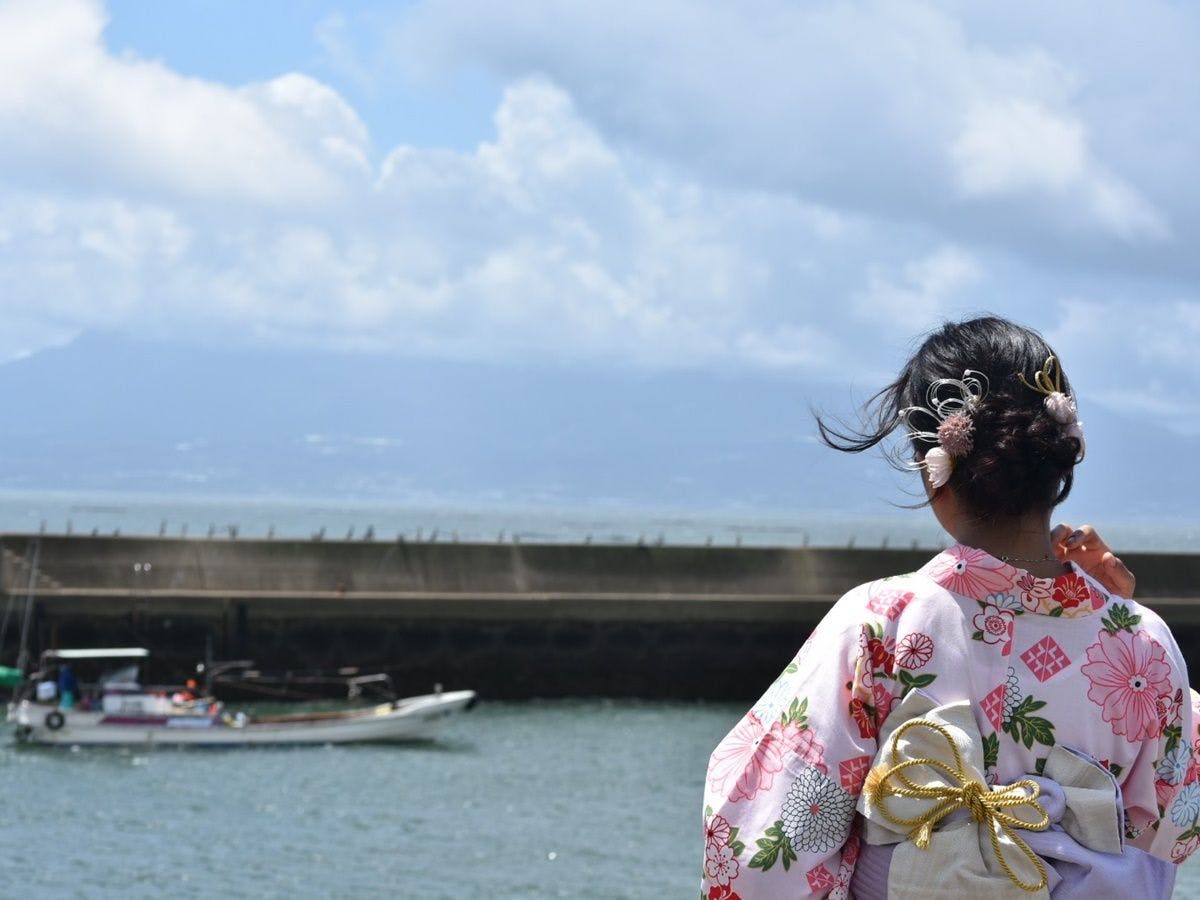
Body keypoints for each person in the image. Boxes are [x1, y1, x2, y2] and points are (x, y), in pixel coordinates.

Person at [701, 317, 1197, 898]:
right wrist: (1122, 616)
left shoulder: (881, 621)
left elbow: (765, 839)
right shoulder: (1143, 642)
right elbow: (1176, 821)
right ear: (1059, 461)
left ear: (933, 464)